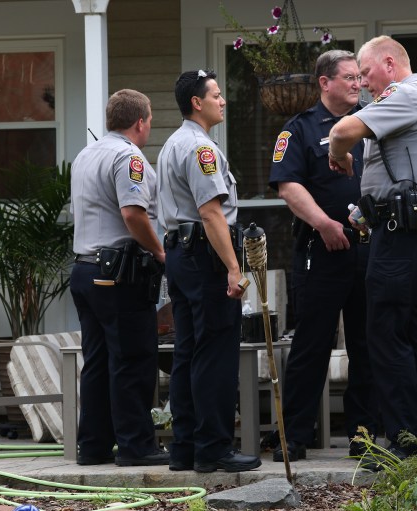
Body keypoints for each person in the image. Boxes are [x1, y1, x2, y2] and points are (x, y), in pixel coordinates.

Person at [328, 36, 417, 459]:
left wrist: (341, 156)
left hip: (404, 232)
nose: (362, 83)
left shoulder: (407, 96)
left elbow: (342, 129)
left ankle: (403, 444)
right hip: (415, 226)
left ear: (389, 63)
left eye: (365, 73)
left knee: (385, 331)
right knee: (413, 329)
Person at [268, 49, 377, 463]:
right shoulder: (298, 130)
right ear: (324, 82)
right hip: (322, 252)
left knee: (366, 347)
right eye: (348, 77)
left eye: (359, 77)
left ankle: (362, 438)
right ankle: (294, 438)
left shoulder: (372, 123)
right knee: (311, 347)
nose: (357, 84)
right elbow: (287, 186)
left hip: (368, 253)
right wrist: (324, 224)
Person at [156, 69, 261, 473]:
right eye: (216, 95)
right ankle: (214, 449)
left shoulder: (172, 143)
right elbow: (211, 212)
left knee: (188, 353)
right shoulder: (200, 148)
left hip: (182, 254)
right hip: (205, 256)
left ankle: (184, 447)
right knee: (215, 353)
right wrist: (234, 268)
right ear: (197, 103)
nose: (223, 100)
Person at [69, 89, 170, 466]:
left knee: (97, 361)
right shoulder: (129, 157)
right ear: (140, 122)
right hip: (117, 273)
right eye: (149, 123)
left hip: (84, 268)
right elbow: (133, 214)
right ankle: (136, 446)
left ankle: (93, 446)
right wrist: (160, 252)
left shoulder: (86, 153)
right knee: (132, 358)